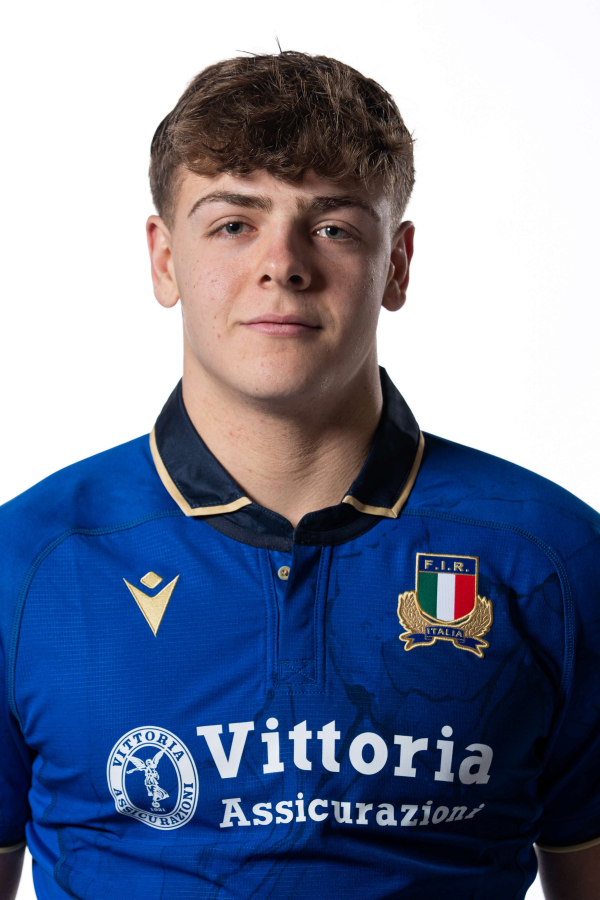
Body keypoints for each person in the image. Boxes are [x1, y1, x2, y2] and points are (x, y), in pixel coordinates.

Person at [0, 50, 598, 900]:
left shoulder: (556, 560)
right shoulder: (27, 566)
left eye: (333, 227)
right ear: (164, 259)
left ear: (397, 264)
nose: (281, 263)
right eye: (232, 224)